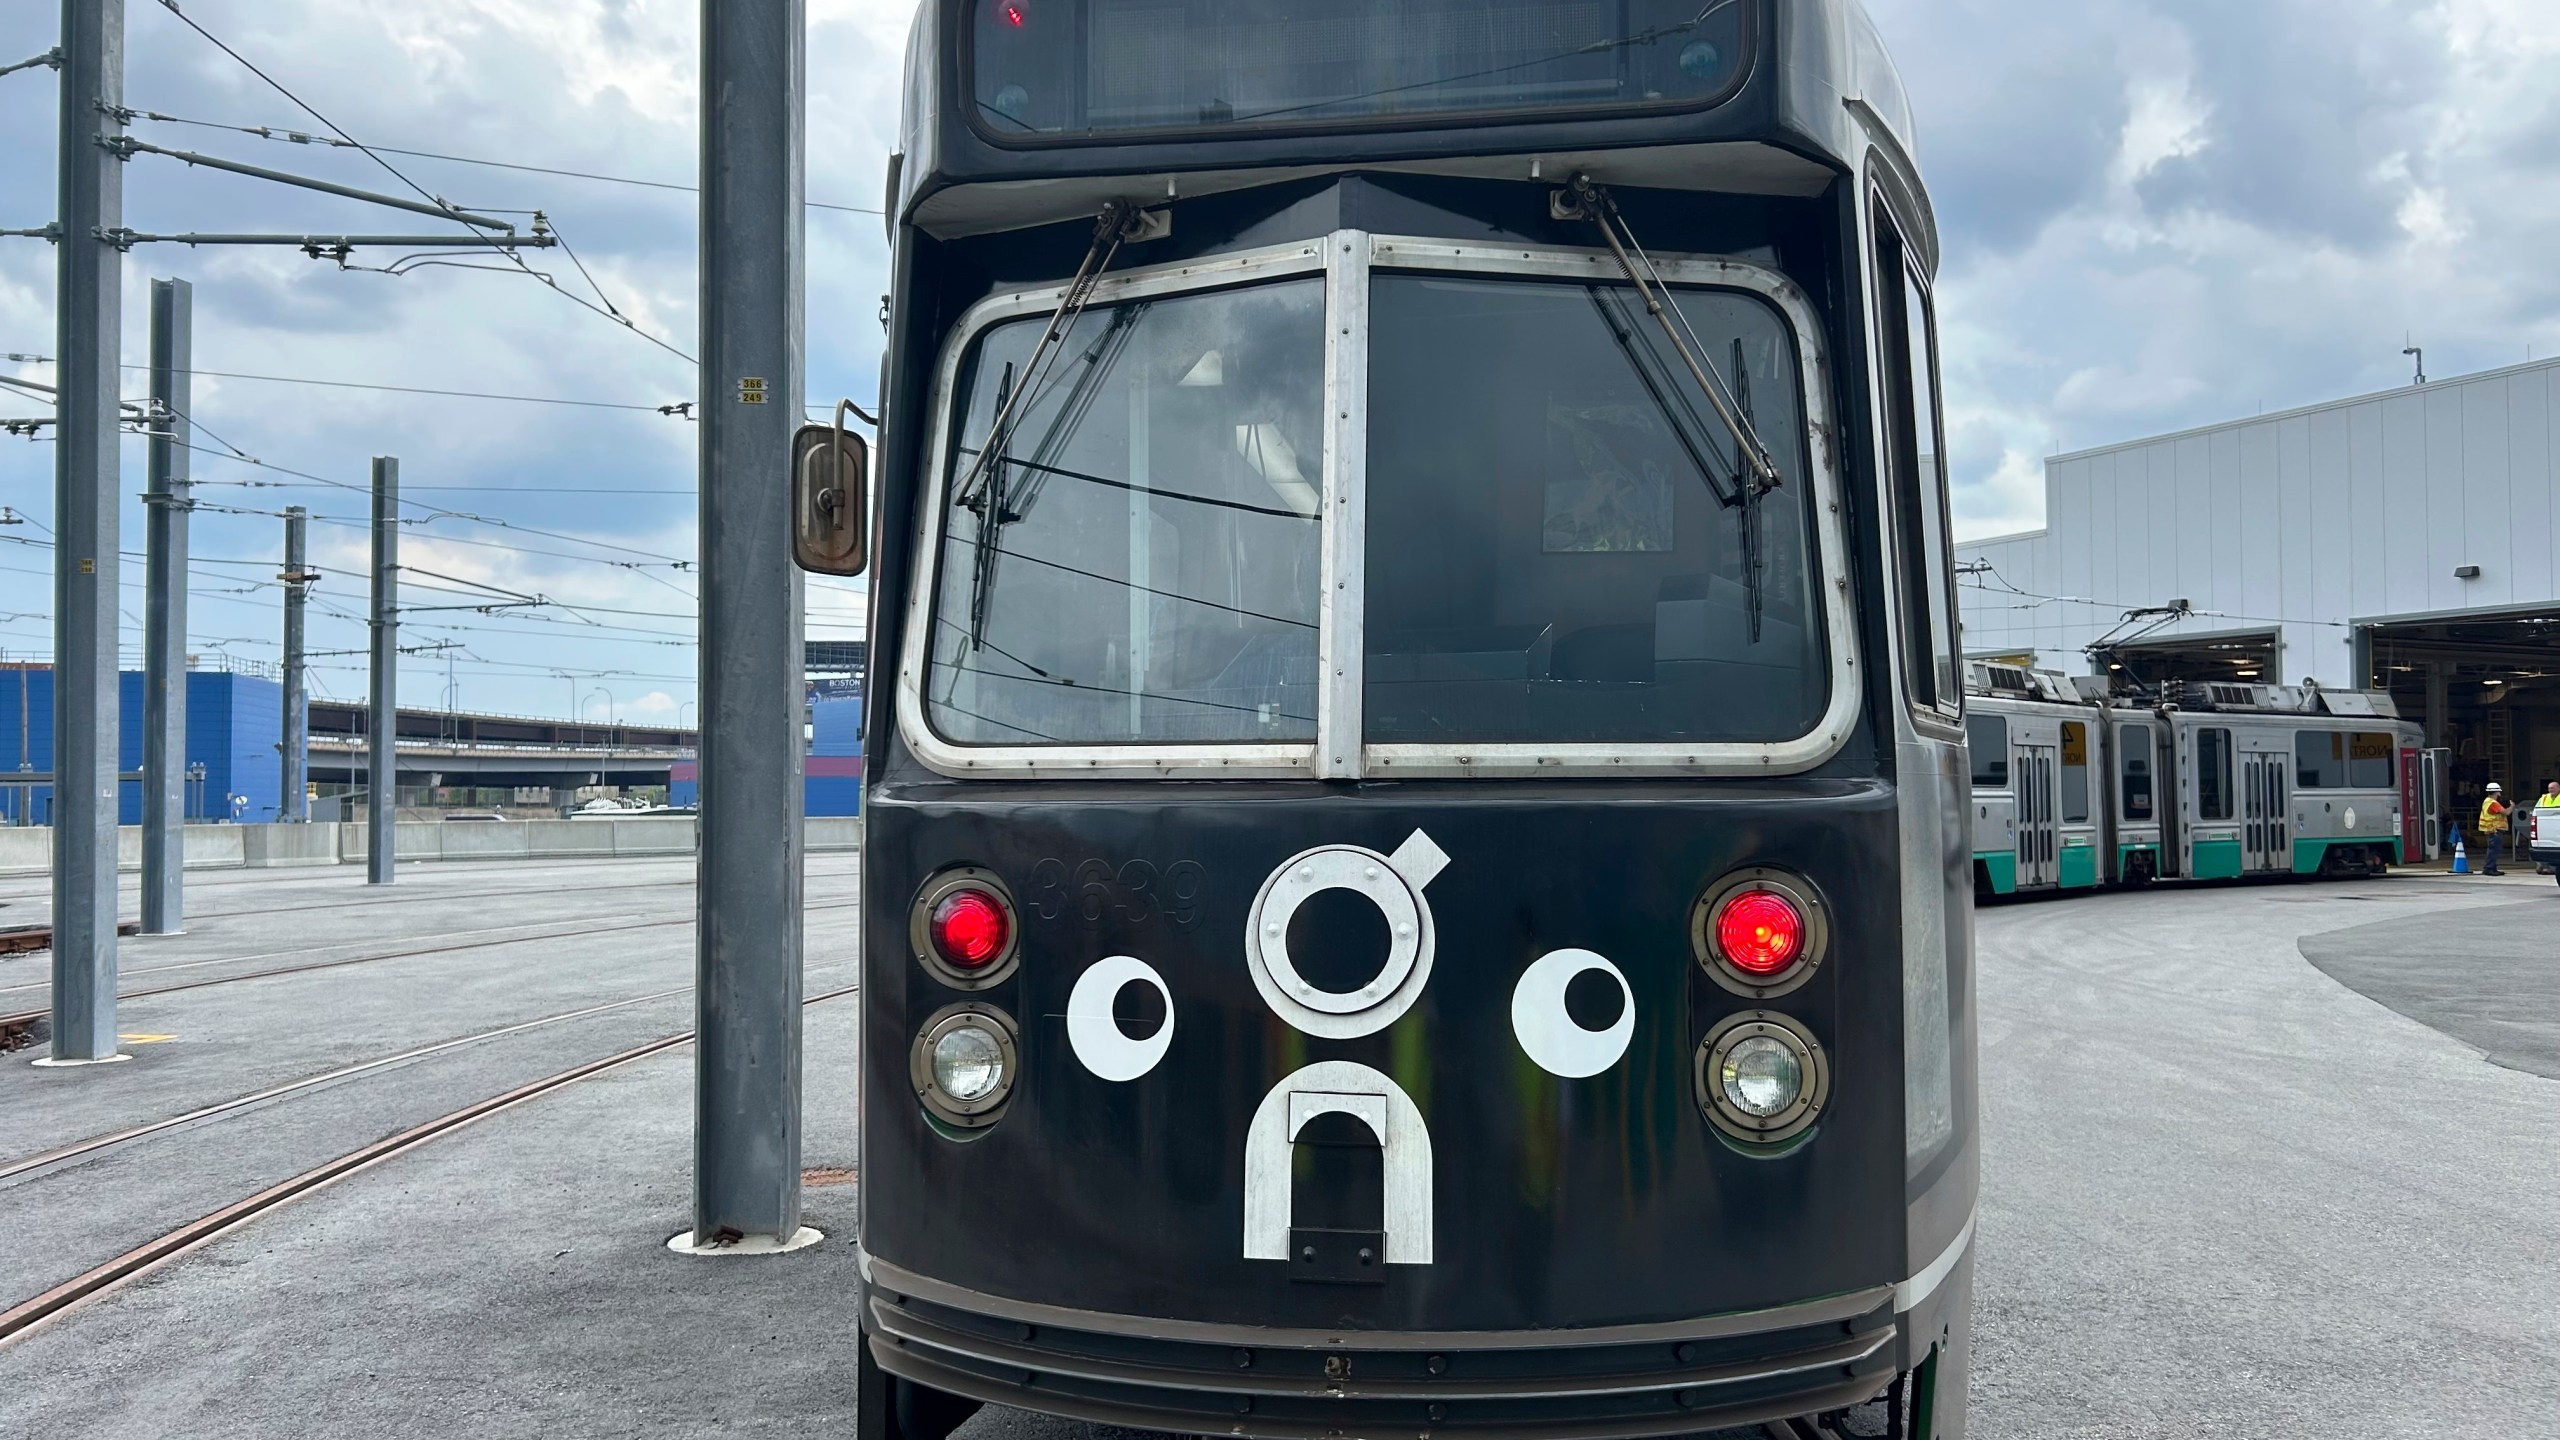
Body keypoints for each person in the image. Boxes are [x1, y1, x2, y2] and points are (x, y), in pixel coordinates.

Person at [2475, 782, 2510, 875]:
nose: (2500, 794)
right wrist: (2512, 806)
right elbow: (2506, 812)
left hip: (2490, 830)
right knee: (2493, 850)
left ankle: (2492, 868)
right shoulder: (2493, 803)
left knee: (2493, 850)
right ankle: (2489, 868)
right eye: (2499, 792)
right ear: (2497, 792)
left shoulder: (2487, 801)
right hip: (2494, 830)